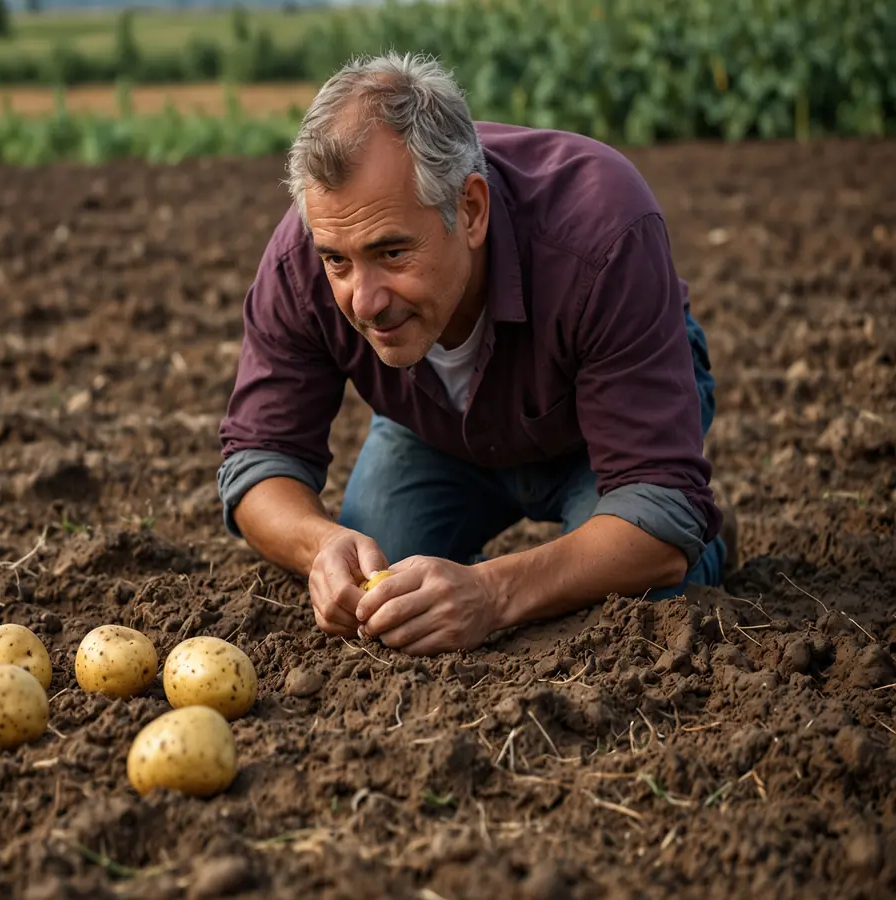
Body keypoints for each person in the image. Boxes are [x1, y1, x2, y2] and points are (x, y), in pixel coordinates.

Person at [216, 53, 737, 657]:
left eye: (391, 253)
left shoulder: (602, 226)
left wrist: (492, 594)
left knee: (638, 596)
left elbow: (655, 501)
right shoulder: (303, 256)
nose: (365, 301)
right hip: (438, 430)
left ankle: (709, 545)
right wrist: (318, 543)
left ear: (470, 210)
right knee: (378, 593)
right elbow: (258, 458)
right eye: (337, 261)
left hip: (598, 433)